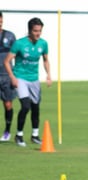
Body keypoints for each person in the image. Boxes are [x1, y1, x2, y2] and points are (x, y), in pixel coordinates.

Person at [4, 17, 52, 147]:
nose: (38, 33)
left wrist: (48, 74)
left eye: (40, 31)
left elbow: (46, 60)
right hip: (21, 78)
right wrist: (12, 77)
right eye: (36, 31)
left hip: (34, 80)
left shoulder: (43, 44)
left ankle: (35, 135)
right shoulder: (19, 44)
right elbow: (6, 61)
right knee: (25, 106)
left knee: (36, 107)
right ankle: (19, 135)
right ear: (30, 30)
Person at [0, 12, 16, 142]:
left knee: (8, 104)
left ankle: (7, 131)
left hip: (6, 76)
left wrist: (14, 75)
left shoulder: (10, 36)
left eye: (0, 21)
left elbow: (17, 54)